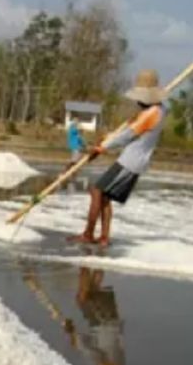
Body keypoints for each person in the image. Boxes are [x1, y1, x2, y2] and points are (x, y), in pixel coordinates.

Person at [72, 69, 168, 246]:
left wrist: (101, 148)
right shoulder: (161, 110)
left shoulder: (150, 114)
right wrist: (107, 139)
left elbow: (127, 136)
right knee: (105, 197)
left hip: (130, 161)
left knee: (96, 191)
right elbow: (130, 130)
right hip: (136, 161)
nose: (137, 102)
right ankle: (104, 238)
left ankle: (88, 234)